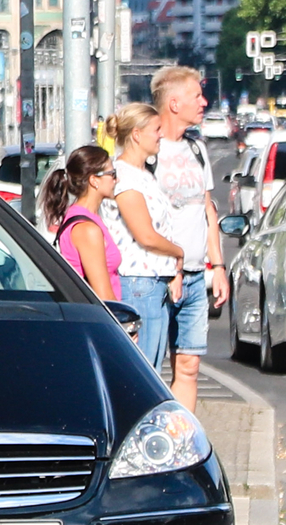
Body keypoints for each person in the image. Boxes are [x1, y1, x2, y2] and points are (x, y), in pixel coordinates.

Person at [146, 66, 230, 412]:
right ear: (175, 103)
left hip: (197, 275)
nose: (204, 102)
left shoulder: (197, 150)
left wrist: (219, 266)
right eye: (197, 95)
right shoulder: (149, 151)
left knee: (189, 365)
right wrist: (171, 267)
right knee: (148, 368)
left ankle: (184, 440)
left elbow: (207, 209)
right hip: (158, 277)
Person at [105, 102, 187, 379]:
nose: (161, 135)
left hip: (152, 283)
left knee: (151, 369)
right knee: (143, 375)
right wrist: (179, 253)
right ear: (137, 135)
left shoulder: (143, 175)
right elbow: (146, 236)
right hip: (138, 283)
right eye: (156, 129)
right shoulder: (125, 178)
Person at [41, 144, 121, 303]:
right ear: (94, 180)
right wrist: (126, 325)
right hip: (102, 321)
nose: (116, 180)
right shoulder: (86, 229)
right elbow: (104, 296)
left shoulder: (88, 217)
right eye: (112, 174)